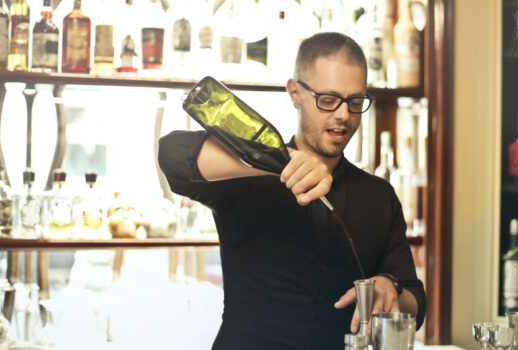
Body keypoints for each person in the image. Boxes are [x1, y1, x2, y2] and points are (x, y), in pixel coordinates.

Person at [158, 32, 426, 349]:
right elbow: (171, 155)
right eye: (328, 100)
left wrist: (390, 290)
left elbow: (415, 301)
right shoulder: (245, 179)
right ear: (295, 93)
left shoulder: (379, 196)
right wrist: (274, 162)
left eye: (355, 102)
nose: (343, 115)